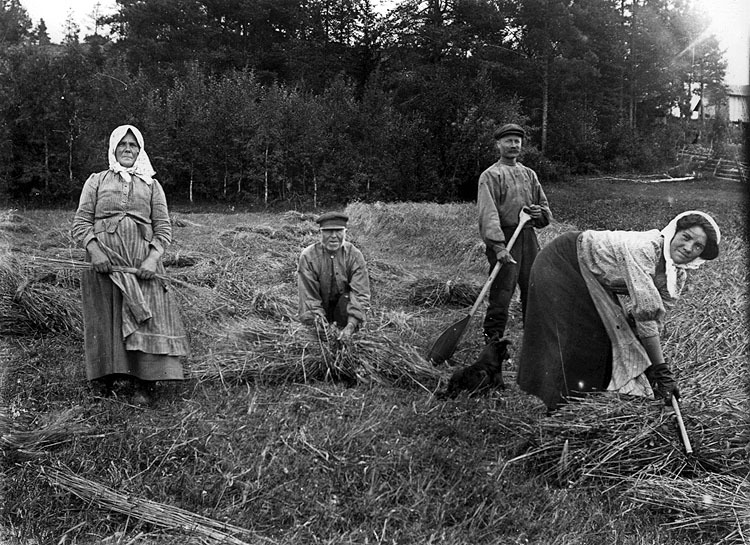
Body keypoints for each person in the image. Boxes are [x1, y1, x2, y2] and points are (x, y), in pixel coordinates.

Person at [516, 211, 721, 411]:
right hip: (564, 259)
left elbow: (652, 320)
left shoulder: (675, 277)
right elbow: (646, 311)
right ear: (674, 232)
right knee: (579, 337)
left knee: (606, 339)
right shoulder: (645, 248)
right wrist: (661, 370)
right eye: (686, 238)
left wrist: (653, 368)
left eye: (697, 247)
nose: (688, 248)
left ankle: (582, 401)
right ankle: (558, 408)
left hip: (591, 275)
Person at [71, 125, 189, 405]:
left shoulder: (151, 185)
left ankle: (143, 383)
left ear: (140, 150)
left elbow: (163, 227)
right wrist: (95, 251)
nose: (127, 149)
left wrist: (152, 258)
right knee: (106, 318)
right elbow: (80, 222)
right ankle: (106, 379)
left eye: (133, 145)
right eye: (122, 144)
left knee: (143, 318)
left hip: (141, 265)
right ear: (113, 148)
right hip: (104, 264)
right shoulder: (97, 181)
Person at [477, 123, 552, 350]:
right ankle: (493, 341)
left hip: (528, 237)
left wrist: (540, 214)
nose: (513, 145)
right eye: (508, 141)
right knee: (503, 291)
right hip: (504, 239)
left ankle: (535, 342)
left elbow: (544, 209)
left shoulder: (529, 174)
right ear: (498, 144)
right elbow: (488, 214)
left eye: (517, 141)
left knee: (535, 287)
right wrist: (498, 247)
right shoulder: (490, 176)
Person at [297, 212, 371, 341]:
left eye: (338, 231)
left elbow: (360, 293)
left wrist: (351, 325)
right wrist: (319, 322)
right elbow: (308, 296)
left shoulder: (355, 256)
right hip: (320, 307)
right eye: (328, 231)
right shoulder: (308, 257)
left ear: (345, 232)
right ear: (320, 233)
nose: (333, 236)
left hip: (346, 309)